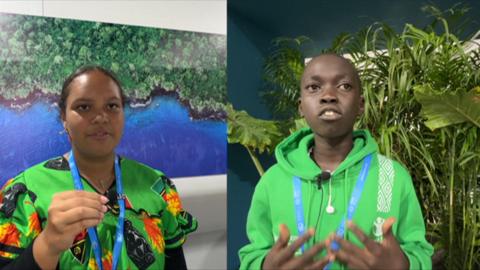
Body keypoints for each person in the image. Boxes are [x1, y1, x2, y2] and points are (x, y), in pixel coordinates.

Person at [238, 53, 433, 269]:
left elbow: (420, 251)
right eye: (314, 87)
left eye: (344, 86)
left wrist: (405, 265)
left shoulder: (394, 176)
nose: (328, 95)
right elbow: (251, 254)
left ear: (360, 105)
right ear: (301, 106)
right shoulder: (272, 181)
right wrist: (264, 266)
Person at [0, 66, 197, 269]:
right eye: (84, 107)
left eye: (112, 106)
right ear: (64, 118)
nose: (101, 117)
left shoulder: (157, 186)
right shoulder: (25, 192)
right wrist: (48, 244)